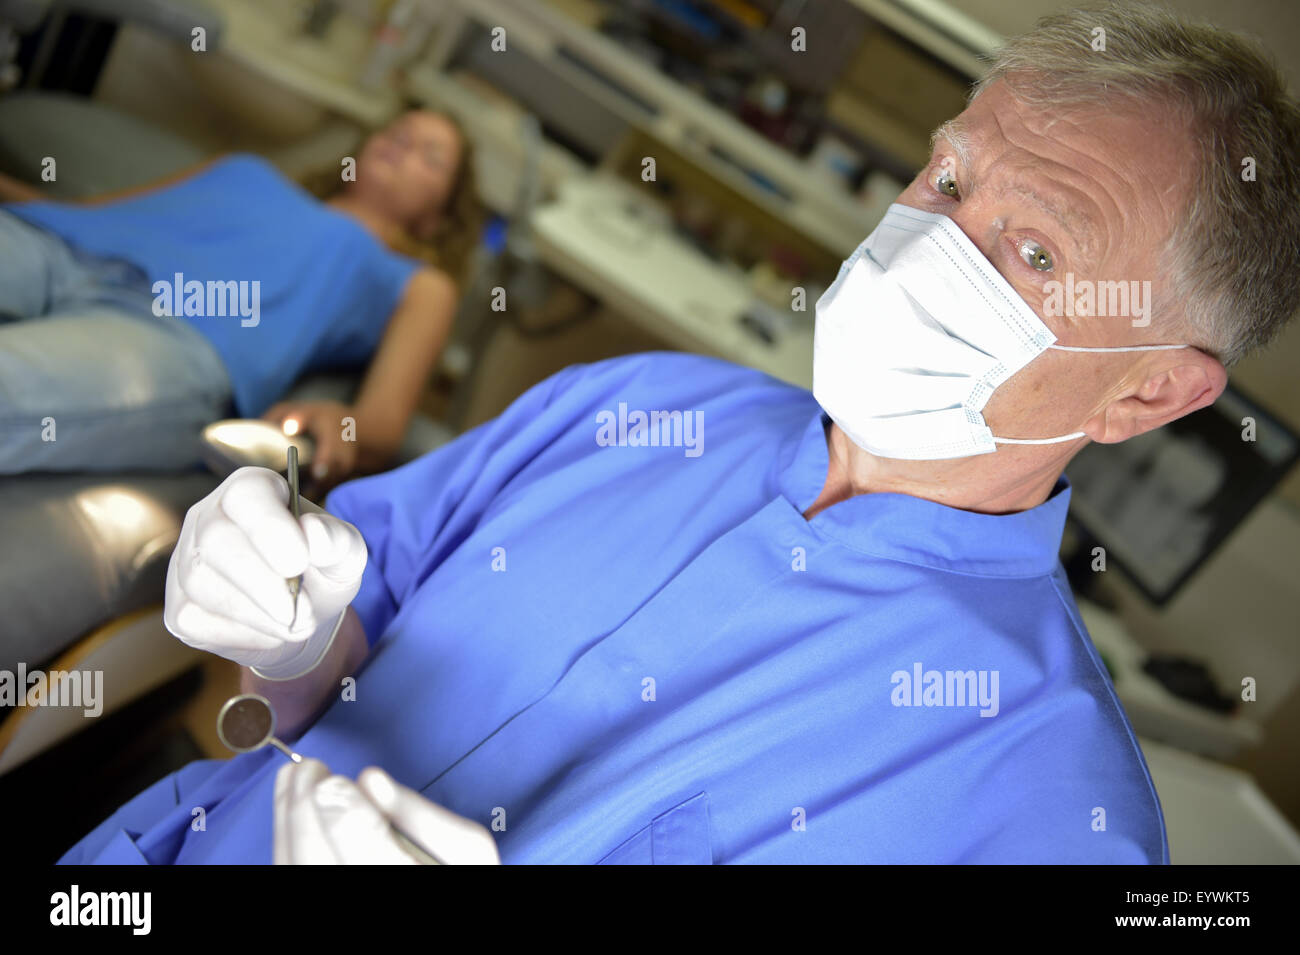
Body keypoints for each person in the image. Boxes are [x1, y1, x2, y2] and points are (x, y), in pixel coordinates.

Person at [59, 3, 1300, 864]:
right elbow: (326, 673)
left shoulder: (1038, 805)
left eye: (1036, 252)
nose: (930, 249)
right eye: (951, 180)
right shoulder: (639, 405)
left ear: (1143, 394)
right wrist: (291, 633)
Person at [0, 108, 475, 488]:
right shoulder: (247, 171)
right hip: (57, 247)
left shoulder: (419, 282)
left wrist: (340, 422)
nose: (403, 145)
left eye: (430, 156)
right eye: (398, 132)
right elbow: (89, 215)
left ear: (437, 219)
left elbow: (382, 424)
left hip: (175, 333)